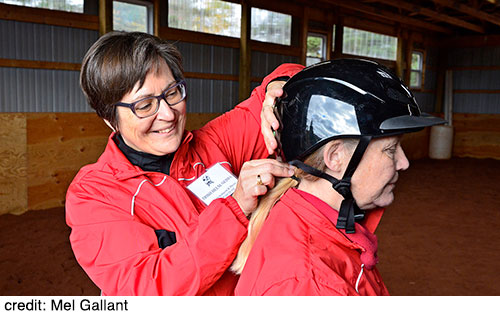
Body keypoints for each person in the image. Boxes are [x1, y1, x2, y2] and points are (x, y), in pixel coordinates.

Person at [65, 31, 303, 295]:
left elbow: (292, 74)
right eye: (144, 105)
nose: (168, 114)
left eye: (172, 92)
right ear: (110, 118)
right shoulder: (95, 194)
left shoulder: (215, 143)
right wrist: (234, 209)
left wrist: (276, 92)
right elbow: (150, 287)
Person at [232, 59, 446, 295]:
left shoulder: (309, 225)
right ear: (335, 157)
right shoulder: (308, 284)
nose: (404, 163)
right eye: (391, 149)